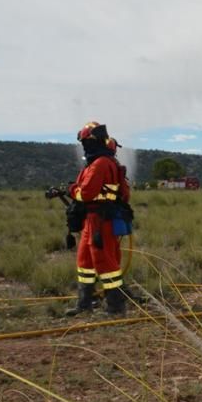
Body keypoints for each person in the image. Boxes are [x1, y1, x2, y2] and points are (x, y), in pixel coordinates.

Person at [66, 121, 131, 317]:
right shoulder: (97, 163)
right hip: (92, 219)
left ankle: (116, 307)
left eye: (86, 142)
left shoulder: (101, 164)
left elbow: (85, 193)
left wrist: (72, 190)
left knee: (105, 263)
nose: (84, 146)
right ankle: (85, 303)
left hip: (101, 220)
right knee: (84, 260)